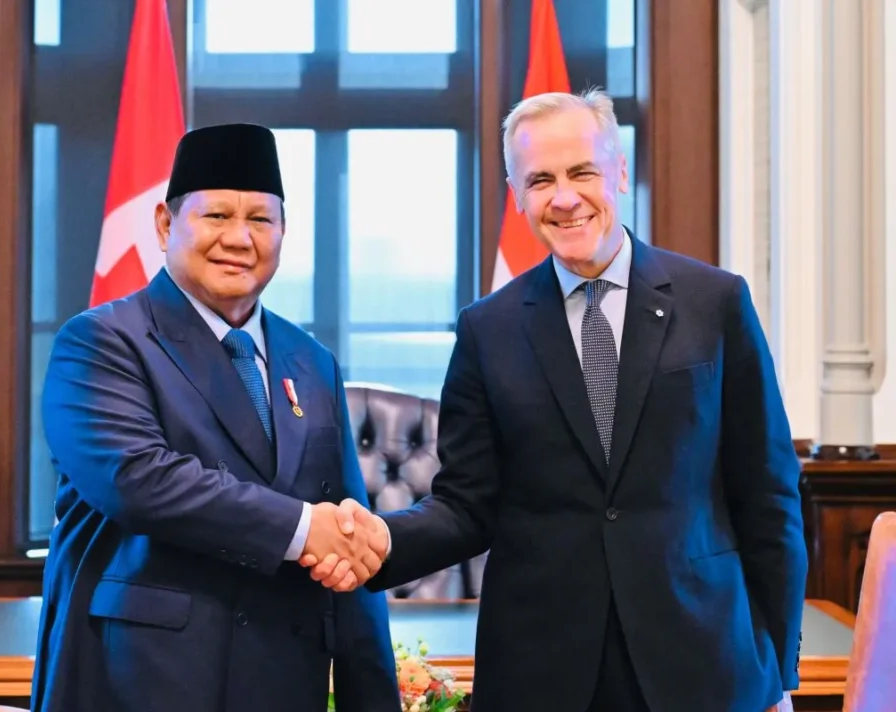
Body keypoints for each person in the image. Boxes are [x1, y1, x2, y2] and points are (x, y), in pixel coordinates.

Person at [303, 90, 807, 712]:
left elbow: (768, 493)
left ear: (619, 170)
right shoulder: (488, 329)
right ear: (517, 196)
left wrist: (779, 671)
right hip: (542, 670)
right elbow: (466, 506)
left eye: (582, 172)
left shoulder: (715, 303)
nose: (564, 198)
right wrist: (381, 540)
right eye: (540, 180)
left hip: (703, 661)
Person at [31, 123, 400, 712]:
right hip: (141, 681)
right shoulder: (102, 342)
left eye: (261, 219)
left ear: (283, 232)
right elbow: (138, 481)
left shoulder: (311, 361)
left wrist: (372, 697)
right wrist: (305, 527)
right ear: (165, 224)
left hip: (284, 682)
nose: (239, 238)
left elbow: (348, 544)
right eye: (217, 216)